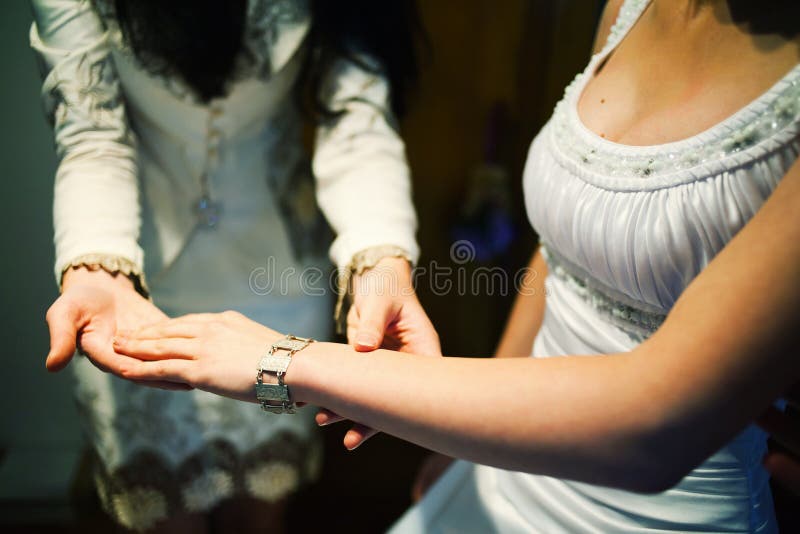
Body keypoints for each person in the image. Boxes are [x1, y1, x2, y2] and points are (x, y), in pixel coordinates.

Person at [52, 0, 800, 531]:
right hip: (502, 452)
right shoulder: (633, 8)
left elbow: (654, 427)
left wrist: (308, 335)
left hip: (662, 499)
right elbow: (566, 254)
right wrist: (98, 263)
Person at [33, 0, 438, 531]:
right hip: (134, 292)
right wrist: (96, 263)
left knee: (259, 510)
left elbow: (356, 122)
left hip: (280, 277)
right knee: (163, 513)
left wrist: (382, 259)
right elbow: (92, 135)